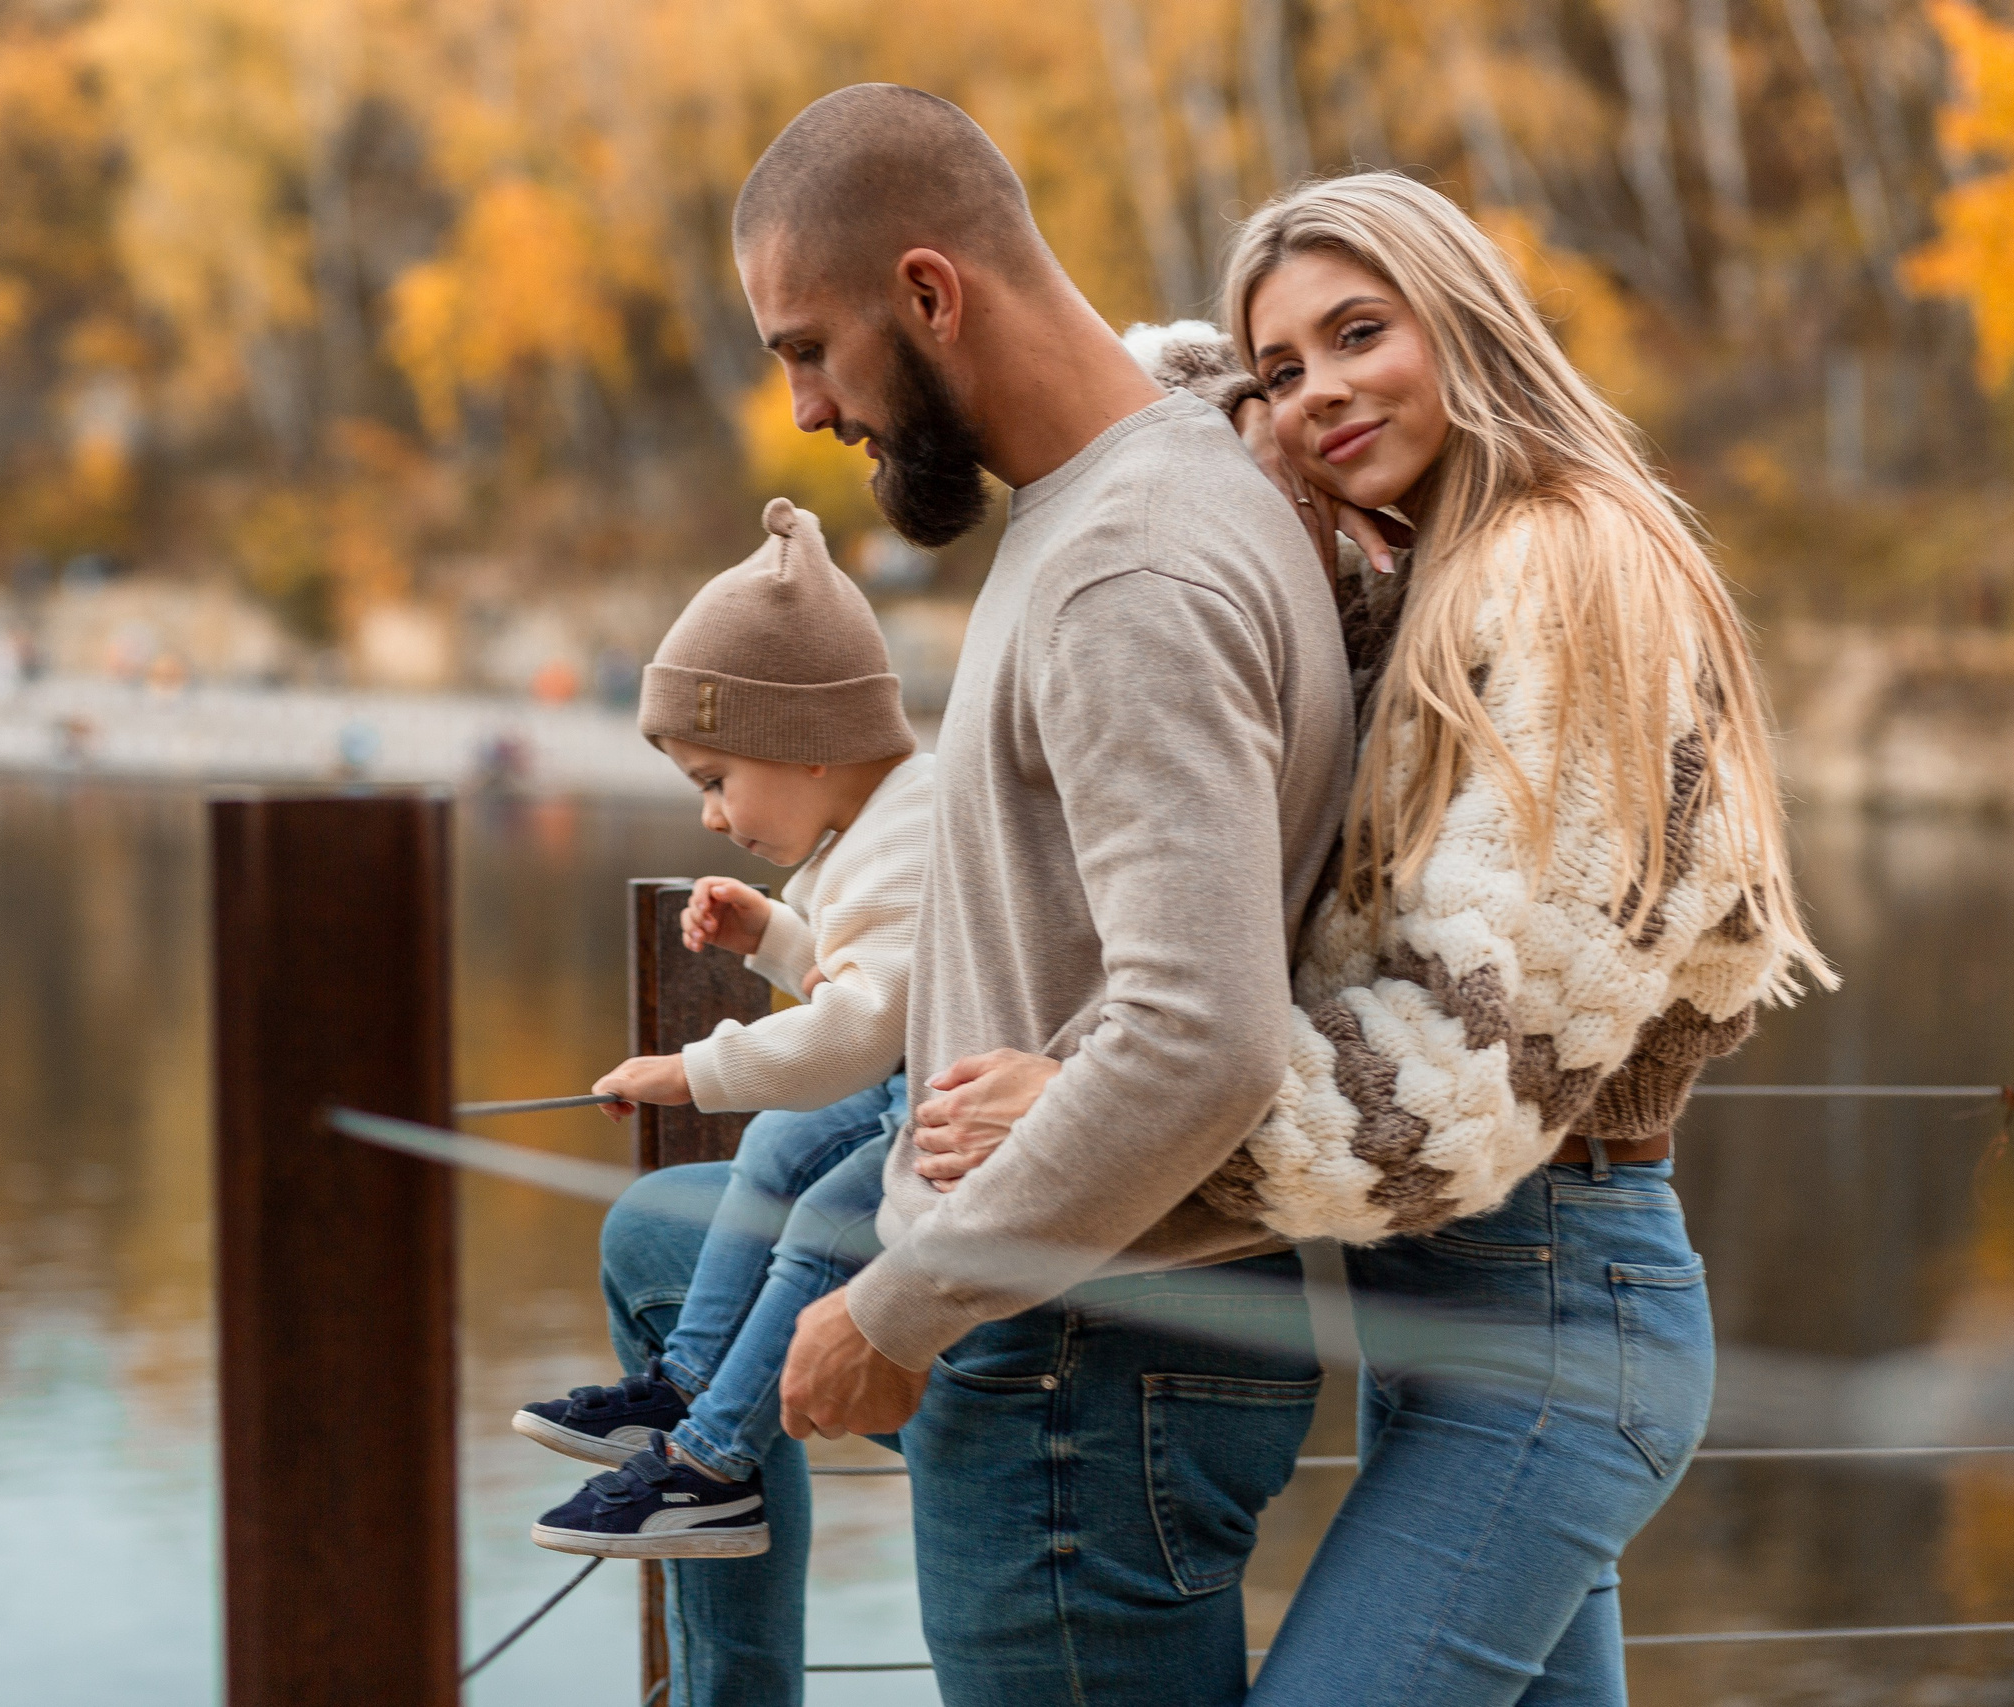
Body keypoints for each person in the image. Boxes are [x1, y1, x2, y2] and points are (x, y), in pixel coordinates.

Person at [909, 172, 1833, 1705]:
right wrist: (1197, 409)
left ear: (1462, 322)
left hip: (1552, 1317)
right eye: (1282, 369)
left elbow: (1465, 1081)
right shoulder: (1436, 563)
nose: (1321, 391)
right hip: (1463, 1319)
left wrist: (1104, 1117)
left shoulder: (1570, 571)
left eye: (1359, 332)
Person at [602, 84, 1359, 1705]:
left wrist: (900, 1301)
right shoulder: (1111, 508)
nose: (805, 408)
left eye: (811, 346)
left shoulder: (1127, 566)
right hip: (1087, 1335)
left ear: (931, 294)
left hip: (1080, 1364)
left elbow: (1201, 1033)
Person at [518, 496, 938, 1562]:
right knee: (777, 1145)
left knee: (823, 1222)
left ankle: (711, 1466)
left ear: (805, 746)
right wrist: (779, 942)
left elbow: (852, 1038)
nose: (711, 814)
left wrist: (687, 1073)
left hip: (948, 1114)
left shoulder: (906, 839)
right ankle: (688, 1380)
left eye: (716, 780)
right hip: (919, 1080)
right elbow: (889, 995)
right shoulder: (881, 827)